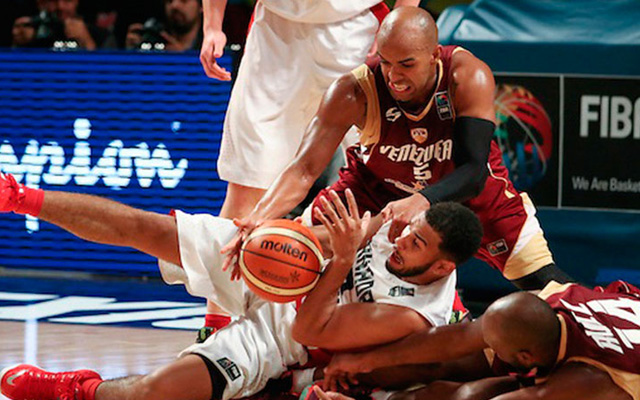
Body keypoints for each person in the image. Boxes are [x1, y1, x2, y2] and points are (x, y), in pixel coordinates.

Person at [0, 171, 483, 400]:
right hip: (291, 271)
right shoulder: (398, 224)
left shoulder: (415, 314)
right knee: (153, 231)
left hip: (284, 338)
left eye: (415, 245)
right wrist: (268, 233)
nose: (399, 241)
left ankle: (78, 390)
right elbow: (319, 238)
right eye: (406, 231)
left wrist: (339, 257)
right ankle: (18, 195)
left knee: (156, 394)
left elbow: (314, 329)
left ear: (441, 268)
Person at [223, 6, 572, 291]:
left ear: (434, 55)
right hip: (375, 191)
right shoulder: (353, 90)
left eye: (407, 64)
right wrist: (259, 219)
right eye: (387, 62)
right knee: (288, 249)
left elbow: (474, 171)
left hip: (471, 199)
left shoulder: (467, 76)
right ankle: (284, 354)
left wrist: (421, 200)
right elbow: (303, 170)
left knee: (547, 287)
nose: (394, 76)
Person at [198, 0, 420, 341]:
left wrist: (393, 29)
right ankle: (216, 328)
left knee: (380, 187)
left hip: (359, 31)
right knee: (245, 190)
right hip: (277, 31)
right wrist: (213, 24)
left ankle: (386, 319)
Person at [320, 280, 640, 400]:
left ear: (526, 357)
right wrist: (362, 360)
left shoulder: (587, 381)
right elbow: (459, 337)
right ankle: (314, 376)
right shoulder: (555, 297)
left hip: (612, 379)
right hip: (575, 344)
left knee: (469, 395)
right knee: (434, 363)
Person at [125, 0, 203, 51]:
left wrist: (181, 57)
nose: (174, 5)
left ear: (202, 6)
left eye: (184, 0)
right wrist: (131, 54)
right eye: (169, 0)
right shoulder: (154, 36)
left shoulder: (211, 46)